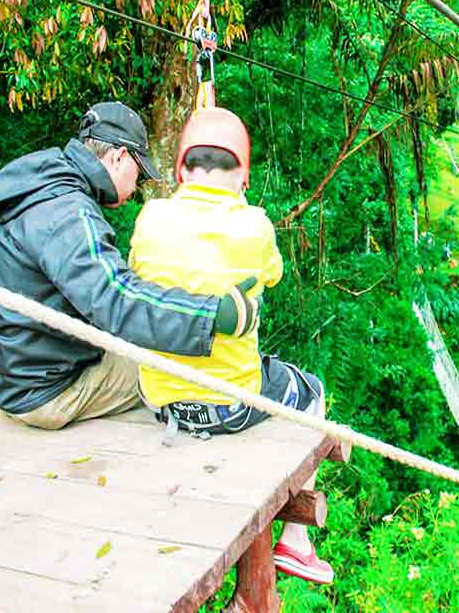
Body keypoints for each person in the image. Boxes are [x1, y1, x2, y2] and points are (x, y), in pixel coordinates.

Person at [128, 107, 334, 585]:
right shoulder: (255, 225)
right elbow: (273, 276)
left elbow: (139, 268)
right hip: (229, 407)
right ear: (242, 174)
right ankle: (296, 545)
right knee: (311, 391)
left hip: (161, 403)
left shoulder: (151, 216)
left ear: (181, 169)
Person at [0, 101, 260, 431]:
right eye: (138, 174)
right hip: (44, 391)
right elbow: (116, 299)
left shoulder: (45, 188)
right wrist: (211, 315)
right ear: (119, 157)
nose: (136, 188)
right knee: (169, 372)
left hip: (15, 374)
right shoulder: (67, 212)